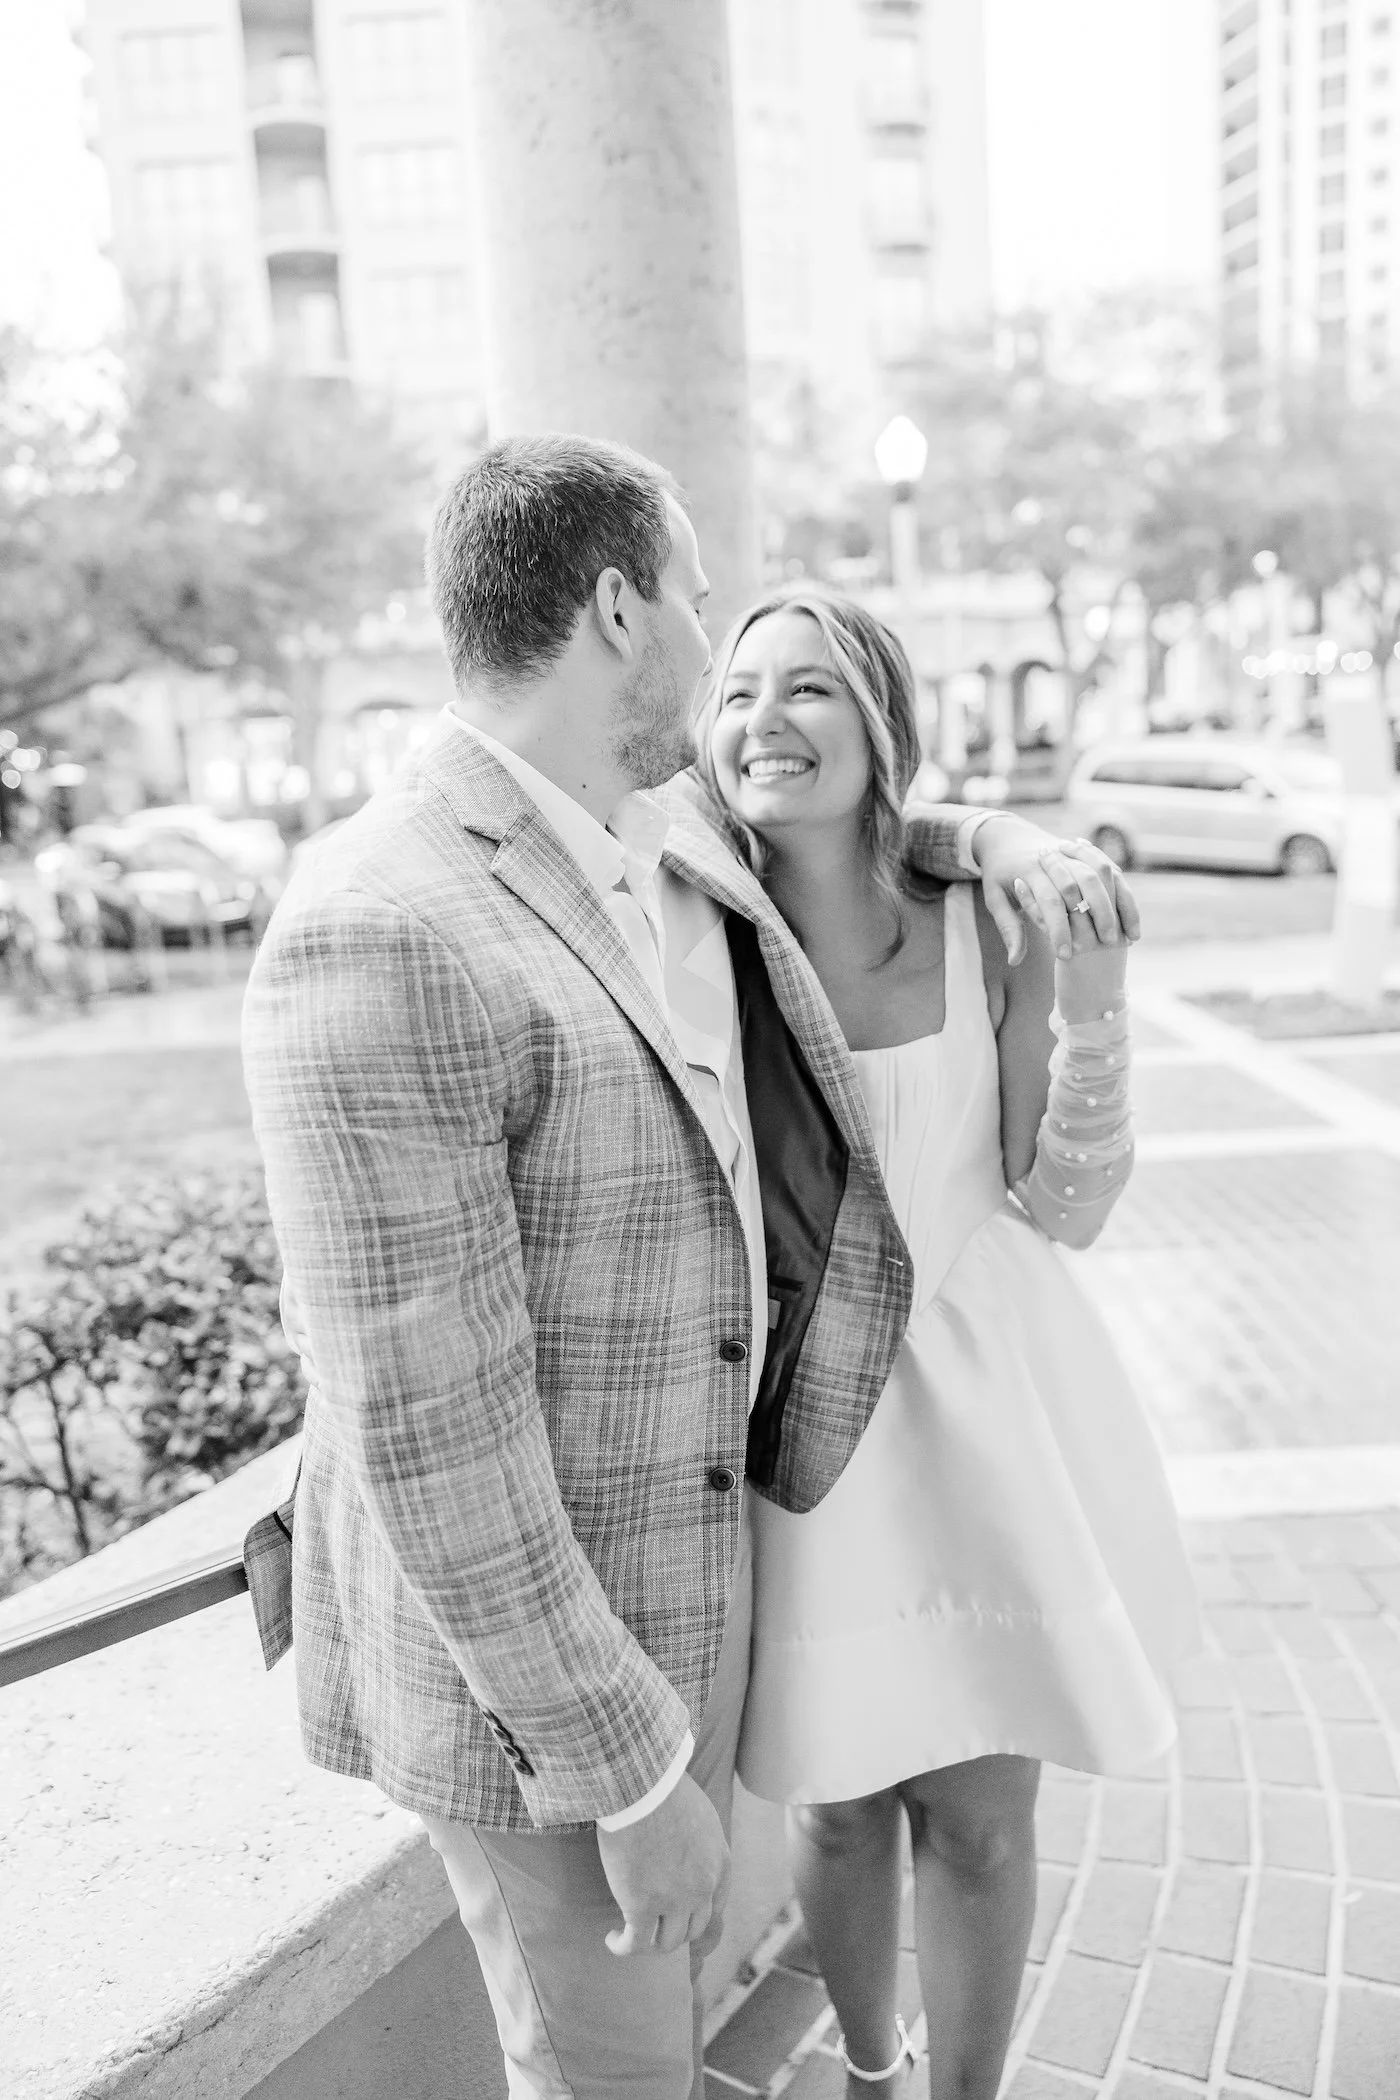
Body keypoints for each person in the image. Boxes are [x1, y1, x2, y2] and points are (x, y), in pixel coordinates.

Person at [240, 436, 1137, 2100]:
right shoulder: (382, 918)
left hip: (699, 1586)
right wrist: (633, 1776)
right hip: (548, 1695)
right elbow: (428, 1430)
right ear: (617, 608)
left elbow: (863, 824)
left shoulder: (654, 838)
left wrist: (1010, 844)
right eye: (701, 608)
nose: (725, 663)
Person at [695, 590, 1201, 2100]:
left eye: (810, 689)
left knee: (980, 1819)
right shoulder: (695, 927)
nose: (764, 719)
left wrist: (1094, 1002)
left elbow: (1070, 1203)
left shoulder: (988, 923)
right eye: (738, 691)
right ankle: (869, 2070)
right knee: (842, 1805)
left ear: (882, 727)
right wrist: (992, 828)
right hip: (807, 1421)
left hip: (990, 1410)